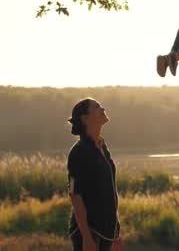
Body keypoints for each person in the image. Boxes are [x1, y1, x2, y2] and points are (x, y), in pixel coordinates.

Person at [67, 98, 122, 251]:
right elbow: (75, 197)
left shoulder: (102, 146)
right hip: (90, 232)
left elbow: (110, 190)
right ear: (85, 118)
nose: (102, 108)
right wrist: (87, 237)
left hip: (107, 231)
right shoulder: (79, 152)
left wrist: (116, 231)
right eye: (97, 107)